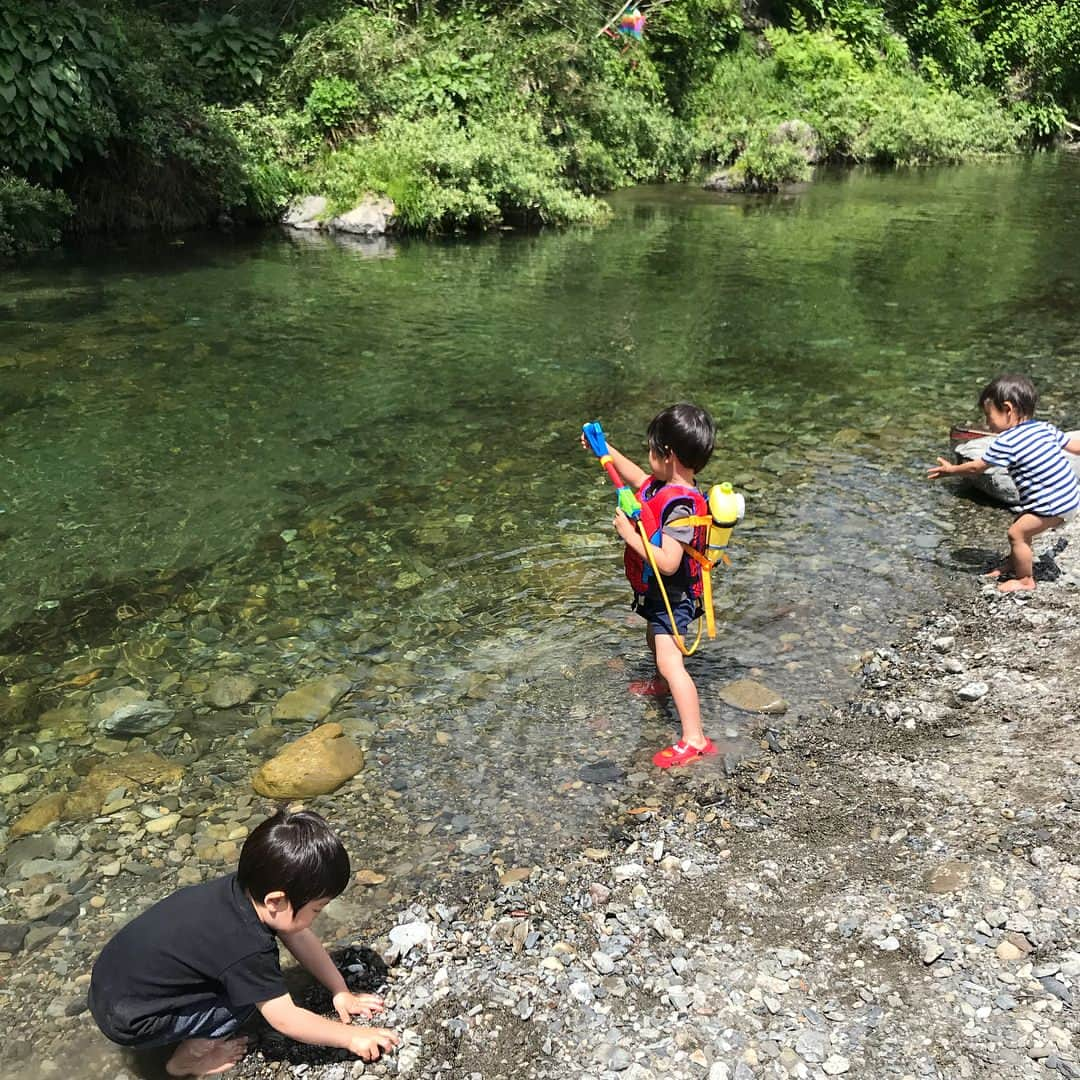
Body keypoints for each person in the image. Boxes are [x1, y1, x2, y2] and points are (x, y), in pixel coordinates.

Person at [89, 809, 399, 1077]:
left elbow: (296, 932)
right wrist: (352, 1037)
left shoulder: (242, 890)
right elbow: (286, 1019)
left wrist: (340, 991)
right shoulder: (247, 946)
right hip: (131, 1022)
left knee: (246, 978)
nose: (318, 916)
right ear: (276, 901)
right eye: (317, 909)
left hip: (108, 986)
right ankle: (184, 1063)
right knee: (247, 1000)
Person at [586, 403, 718, 768]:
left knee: (671, 661)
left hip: (674, 594)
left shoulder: (681, 508)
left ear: (668, 454)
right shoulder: (665, 485)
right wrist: (604, 449)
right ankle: (660, 686)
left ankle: (695, 738)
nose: (648, 457)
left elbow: (669, 561)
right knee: (653, 640)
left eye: (651, 449)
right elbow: (636, 478)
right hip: (660, 592)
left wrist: (630, 536)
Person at [928, 373, 1080, 593]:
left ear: (1008, 409)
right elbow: (1073, 446)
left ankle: (1025, 580)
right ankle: (1015, 560)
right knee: (1021, 520)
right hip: (1070, 498)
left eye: (988, 415)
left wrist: (951, 470)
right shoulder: (1043, 428)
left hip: (1052, 506)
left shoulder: (1007, 442)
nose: (987, 423)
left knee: (1017, 533)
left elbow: (975, 468)